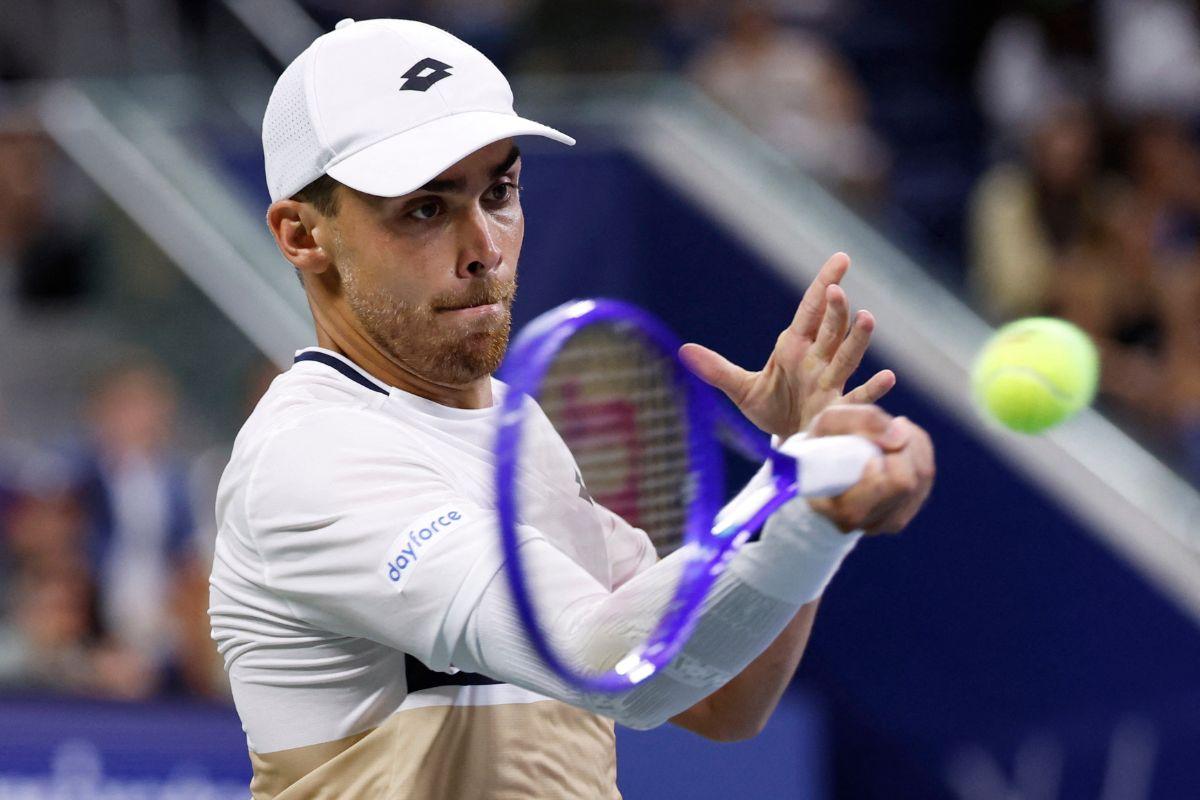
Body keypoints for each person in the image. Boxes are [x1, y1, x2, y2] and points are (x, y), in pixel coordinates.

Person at [209, 18, 935, 799]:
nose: (483, 244)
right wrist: (798, 500)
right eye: (424, 208)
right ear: (300, 235)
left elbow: (721, 696)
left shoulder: (524, 431)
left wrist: (804, 483)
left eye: (500, 192)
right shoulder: (311, 456)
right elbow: (608, 664)